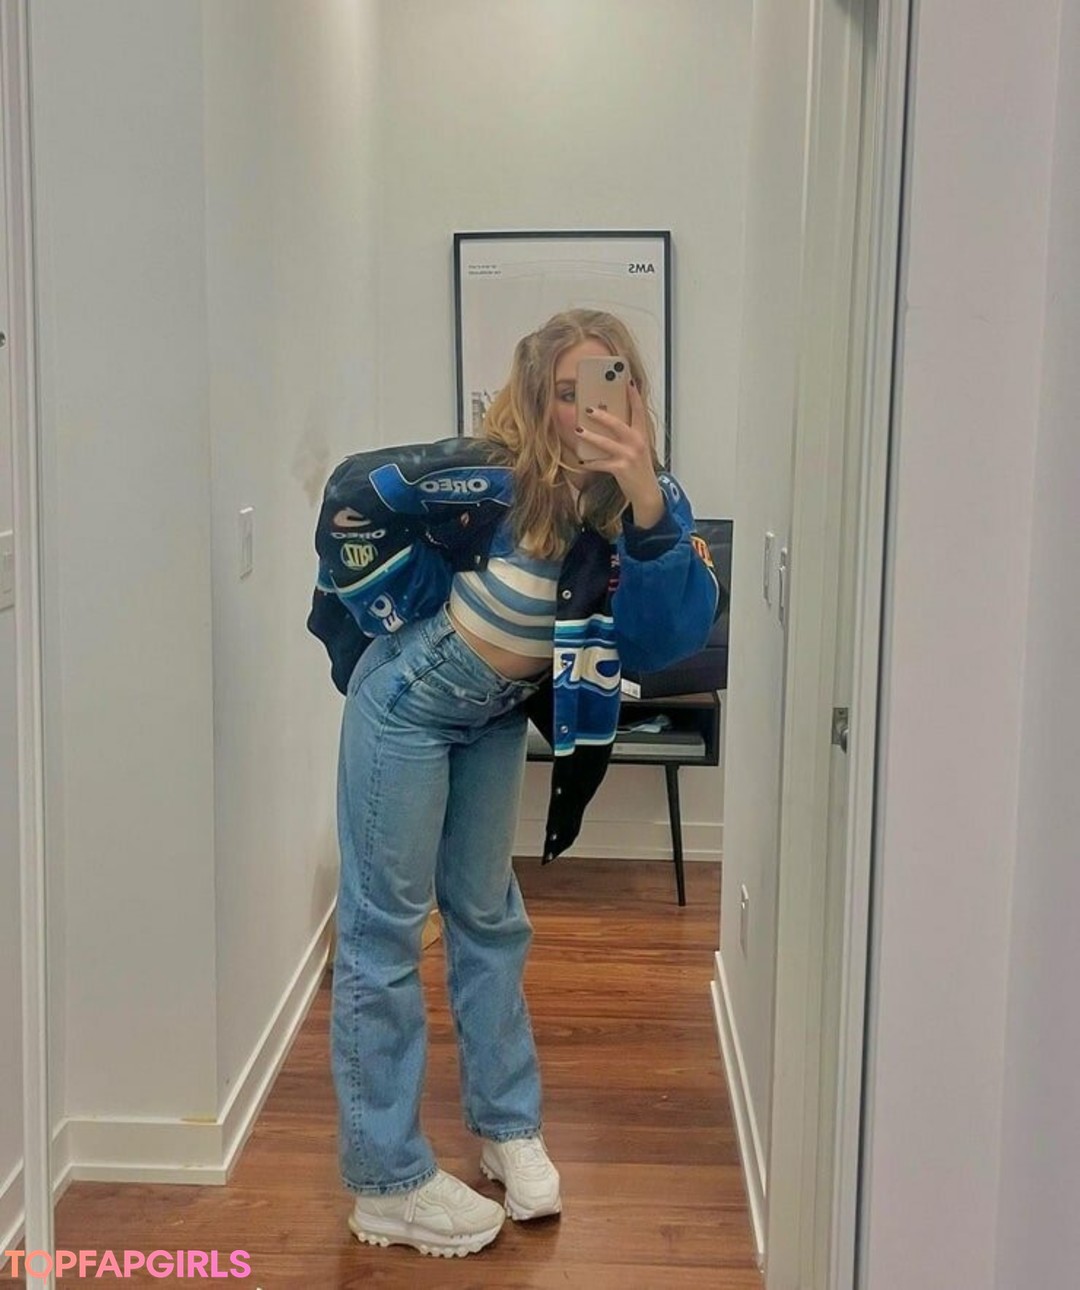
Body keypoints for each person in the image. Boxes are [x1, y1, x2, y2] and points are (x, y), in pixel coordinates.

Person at [307, 309, 720, 1259]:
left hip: (490, 716)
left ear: (635, 392)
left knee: (490, 919)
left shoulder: (646, 501)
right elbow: (355, 494)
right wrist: (389, 605)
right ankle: (385, 1182)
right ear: (537, 397)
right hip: (407, 706)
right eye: (565, 393)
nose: (585, 412)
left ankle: (507, 1127)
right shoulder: (491, 476)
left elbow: (663, 643)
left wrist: (646, 501)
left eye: (605, 387)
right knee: (384, 932)